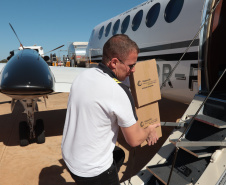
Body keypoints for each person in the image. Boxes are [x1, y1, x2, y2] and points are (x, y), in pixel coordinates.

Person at [61, 34, 160, 185]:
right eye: (131, 65)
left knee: (118, 154)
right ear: (114, 62)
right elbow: (134, 140)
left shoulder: (84, 75)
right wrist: (149, 130)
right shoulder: (118, 91)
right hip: (93, 171)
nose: (133, 70)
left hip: (70, 158)